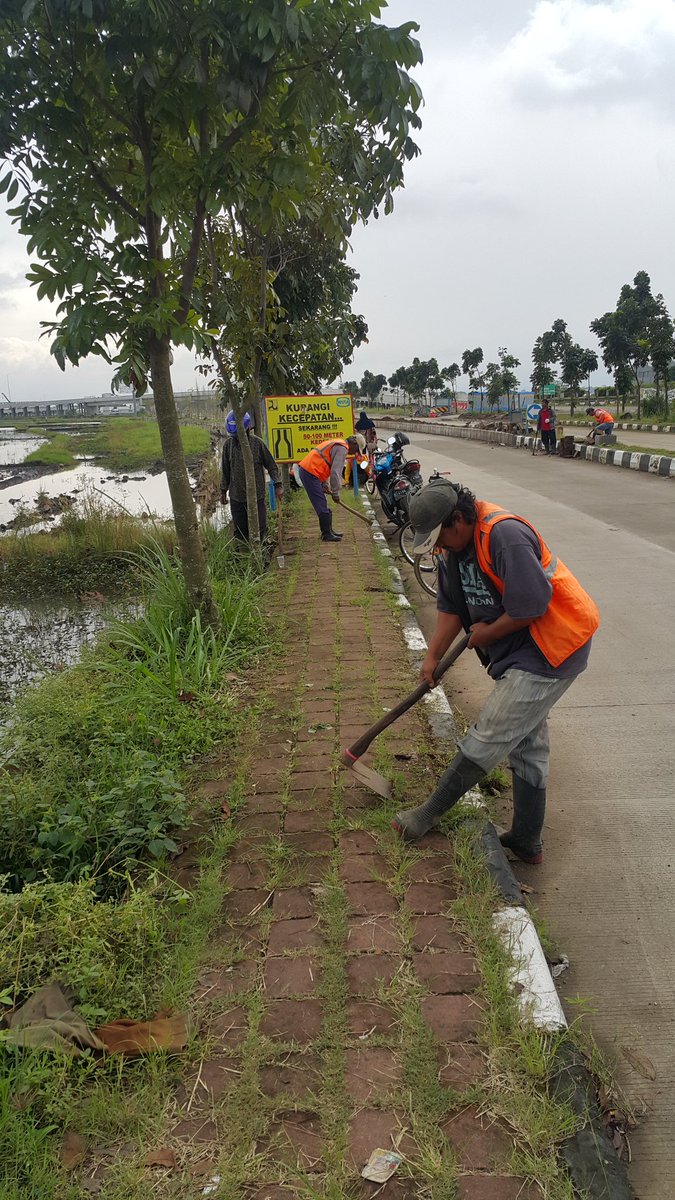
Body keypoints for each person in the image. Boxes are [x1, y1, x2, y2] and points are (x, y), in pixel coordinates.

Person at [393, 479, 600, 864]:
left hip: (551, 647)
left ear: (459, 518)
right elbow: (452, 608)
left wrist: (487, 632)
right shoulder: (453, 549)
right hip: (520, 651)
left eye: (442, 537)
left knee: (490, 733)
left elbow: (531, 606)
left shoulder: (504, 535)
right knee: (526, 743)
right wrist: (432, 657)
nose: (440, 546)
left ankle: (426, 814)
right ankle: (526, 839)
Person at [221, 410, 282, 542]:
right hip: (236, 496)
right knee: (240, 532)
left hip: (256, 496)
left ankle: (260, 556)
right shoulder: (228, 446)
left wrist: (278, 484)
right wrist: (222, 491)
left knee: (260, 529)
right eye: (235, 437)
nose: (237, 439)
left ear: (248, 429)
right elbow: (225, 470)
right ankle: (243, 556)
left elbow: (271, 465)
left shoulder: (257, 444)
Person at [297, 434, 366, 542]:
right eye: (357, 449)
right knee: (321, 503)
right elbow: (335, 472)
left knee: (322, 502)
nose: (355, 453)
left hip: (311, 472)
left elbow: (325, 463)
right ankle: (326, 534)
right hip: (310, 472)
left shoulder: (339, 444)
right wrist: (335, 492)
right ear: (353, 443)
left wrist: (325, 485)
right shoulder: (342, 448)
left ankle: (329, 531)